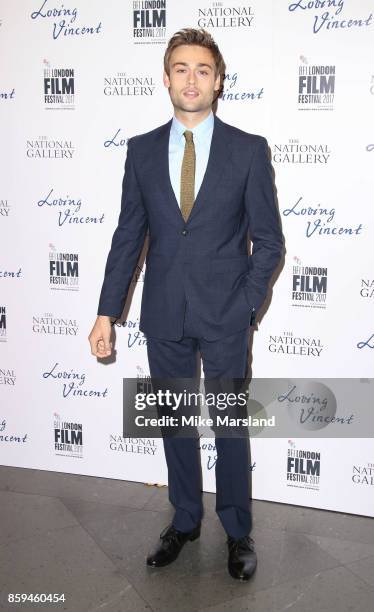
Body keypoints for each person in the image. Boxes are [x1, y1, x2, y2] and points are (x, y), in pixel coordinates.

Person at [88, 27, 283, 581]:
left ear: (218, 81)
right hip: (165, 312)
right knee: (175, 421)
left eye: (202, 69)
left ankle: (238, 530)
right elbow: (129, 235)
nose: (191, 78)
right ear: (167, 78)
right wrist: (107, 312)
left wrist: (247, 305)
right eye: (180, 68)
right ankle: (186, 518)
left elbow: (268, 240)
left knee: (228, 424)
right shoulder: (141, 151)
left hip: (227, 315)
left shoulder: (249, 150)